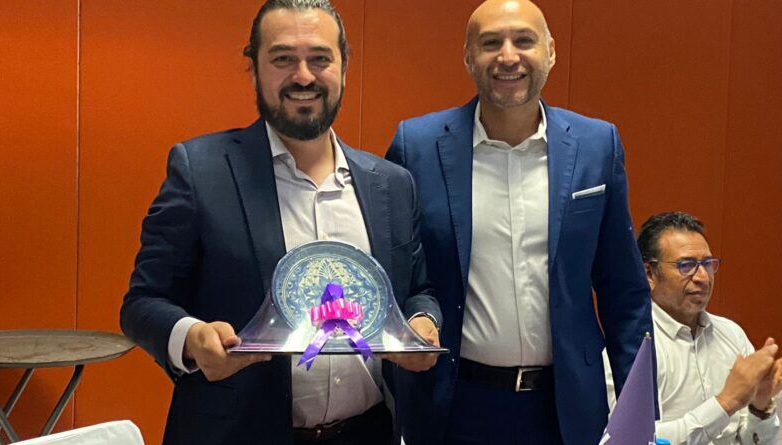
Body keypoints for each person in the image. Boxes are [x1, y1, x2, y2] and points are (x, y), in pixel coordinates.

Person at [119, 1, 441, 444]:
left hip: (368, 432)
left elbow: (418, 290)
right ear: (254, 69)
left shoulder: (392, 184)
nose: (303, 76)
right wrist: (191, 338)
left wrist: (422, 322)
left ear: (344, 68)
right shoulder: (200, 171)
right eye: (283, 58)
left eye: (320, 58)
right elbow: (142, 303)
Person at [385, 0, 653, 443]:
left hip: (566, 408)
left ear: (551, 51)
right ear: (468, 57)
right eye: (491, 43)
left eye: (524, 41)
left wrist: (640, 415)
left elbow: (623, 288)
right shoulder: (417, 145)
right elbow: (398, 276)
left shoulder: (596, 145)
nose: (508, 56)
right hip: (454, 405)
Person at [606, 211, 781, 444]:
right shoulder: (629, 346)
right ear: (649, 274)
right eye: (686, 265)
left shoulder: (731, 334)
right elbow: (629, 439)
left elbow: (752, 440)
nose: (703, 278)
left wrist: (760, 408)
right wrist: (724, 404)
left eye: (707, 264)